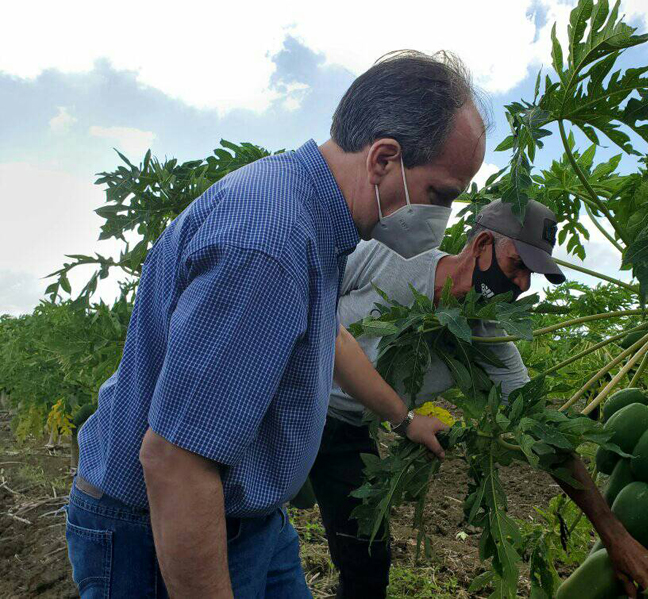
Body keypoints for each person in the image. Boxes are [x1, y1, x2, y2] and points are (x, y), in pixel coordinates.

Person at [64, 50, 489, 598]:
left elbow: (329, 337)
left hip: (249, 519)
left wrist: (403, 419)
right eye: (440, 195)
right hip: (162, 528)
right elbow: (174, 463)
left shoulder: (315, 216)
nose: (441, 220)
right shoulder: (270, 244)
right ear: (383, 159)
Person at [310, 199, 648, 599]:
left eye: (532, 274)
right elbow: (307, 298)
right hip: (292, 398)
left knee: (367, 567)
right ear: (481, 246)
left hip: (349, 430)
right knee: (266, 518)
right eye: (518, 265)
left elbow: (546, 437)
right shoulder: (390, 254)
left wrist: (616, 537)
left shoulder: (490, 340)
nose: (524, 284)